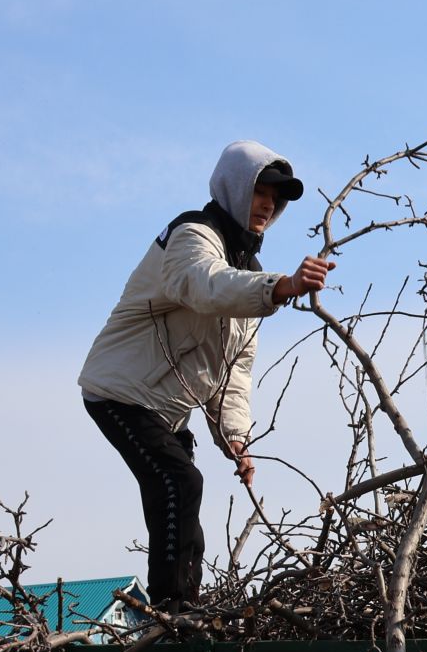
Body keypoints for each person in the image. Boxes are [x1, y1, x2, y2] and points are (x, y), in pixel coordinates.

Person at [78, 140, 335, 609]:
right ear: (235, 186)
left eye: (276, 199)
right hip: (118, 391)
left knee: (184, 500)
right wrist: (282, 286)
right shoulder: (191, 235)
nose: (268, 204)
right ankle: (172, 609)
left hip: (166, 410)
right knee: (179, 483)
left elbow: (235, 368)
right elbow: (205, 286)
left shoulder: (248, 271)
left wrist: (235, 437)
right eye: (261, 190)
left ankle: (187, 606)